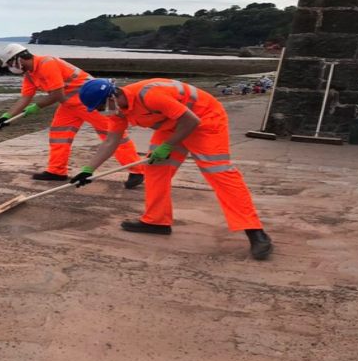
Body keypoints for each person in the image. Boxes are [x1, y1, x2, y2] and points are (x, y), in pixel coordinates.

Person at [70, 78, 273, 260]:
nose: (100, 112)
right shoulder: (118, 111)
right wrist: (88, 170)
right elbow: (111, 142)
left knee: (219, 172)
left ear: (113, 95)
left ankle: (255, 231)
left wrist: (168, 146)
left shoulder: (150, 95)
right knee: (155, 169)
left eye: (100, 107)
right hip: (172, 127)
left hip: (205, 121)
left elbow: (191, 121)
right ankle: (156, 221)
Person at [0, 44, 144, 189]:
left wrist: (37, 107)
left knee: (112, 135)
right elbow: (25, 98)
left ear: (19, 59)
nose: (11, 68)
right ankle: (56, 171)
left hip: (92, 102)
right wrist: (6, 116)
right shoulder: (30, 75)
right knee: (59, 135)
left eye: (10, 64)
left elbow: (57, 93)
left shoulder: (46, 63)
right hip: (68, 104)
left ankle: (137, 170)